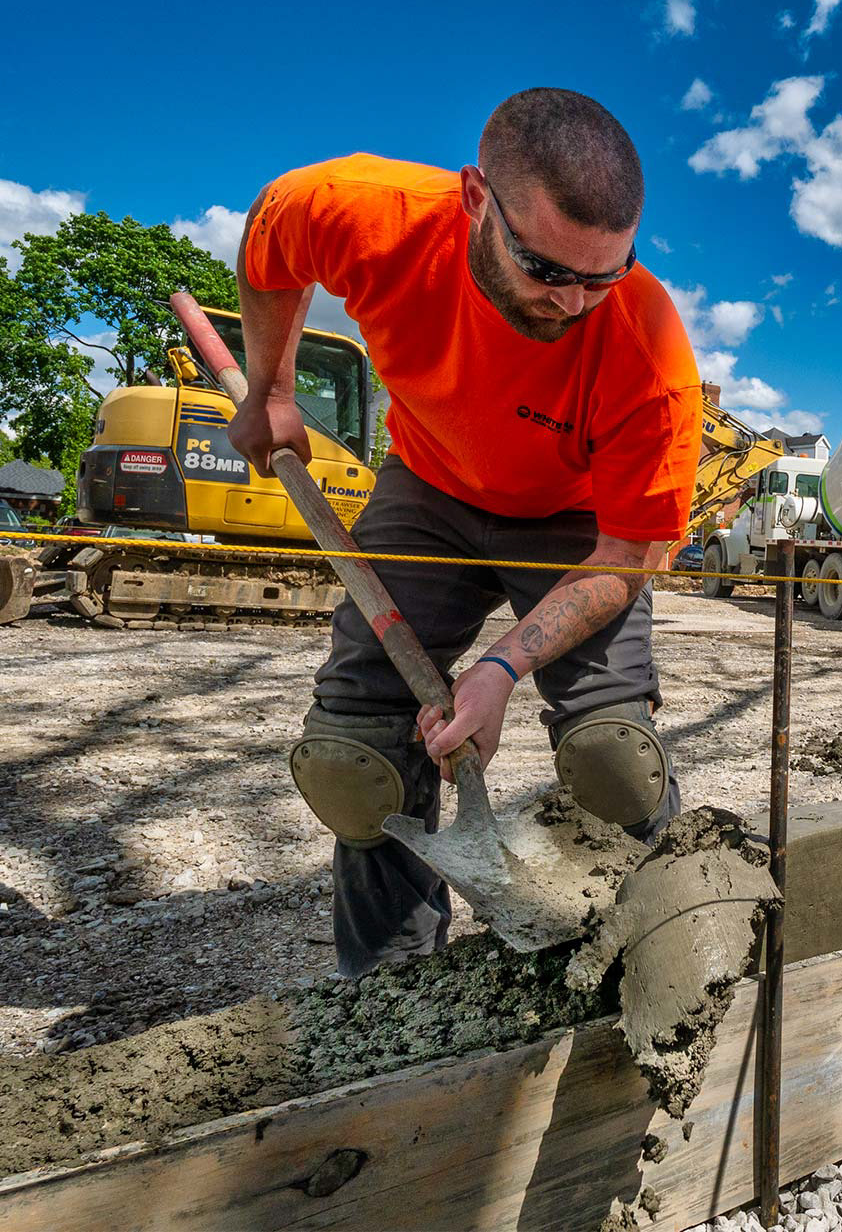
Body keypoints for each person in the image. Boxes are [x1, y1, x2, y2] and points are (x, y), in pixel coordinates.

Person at [230, 89, 703, 978]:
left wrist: (498, 670)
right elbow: (268, 241)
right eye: (546, 269)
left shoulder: (648, 355)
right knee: (356, 748)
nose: (574, 304)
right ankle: (395, 987)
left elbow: (629, 555)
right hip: (430, 482)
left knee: (613, 758)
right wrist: (272, 391)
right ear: (477, 198)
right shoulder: (368, 214)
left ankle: (656, 958)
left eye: (604, 275)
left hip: (572, 522)